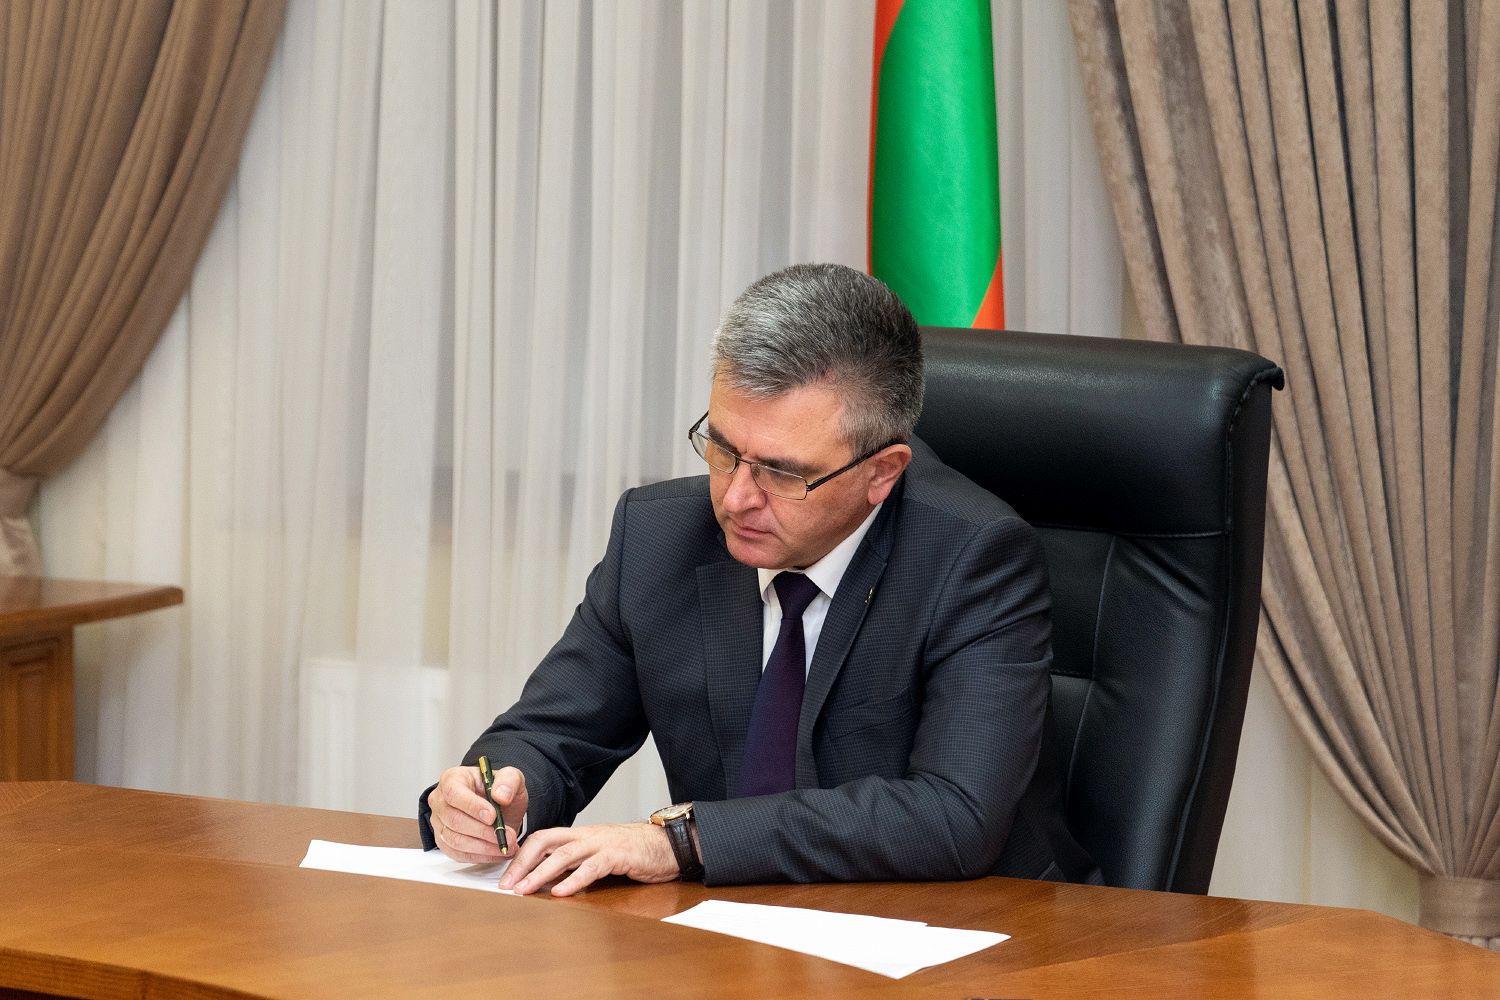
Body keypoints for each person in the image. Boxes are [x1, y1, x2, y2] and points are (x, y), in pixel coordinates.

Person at [420, 262, 1096, 895]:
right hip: (740, 933)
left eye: (781, 471)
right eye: (722, 448)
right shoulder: (658, 537)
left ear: (882, 472)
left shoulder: (974, 557)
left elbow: (953, 815)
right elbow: (552, 735)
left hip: (975, 933)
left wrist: (684, 840)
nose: (736, 498)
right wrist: (495, 794)